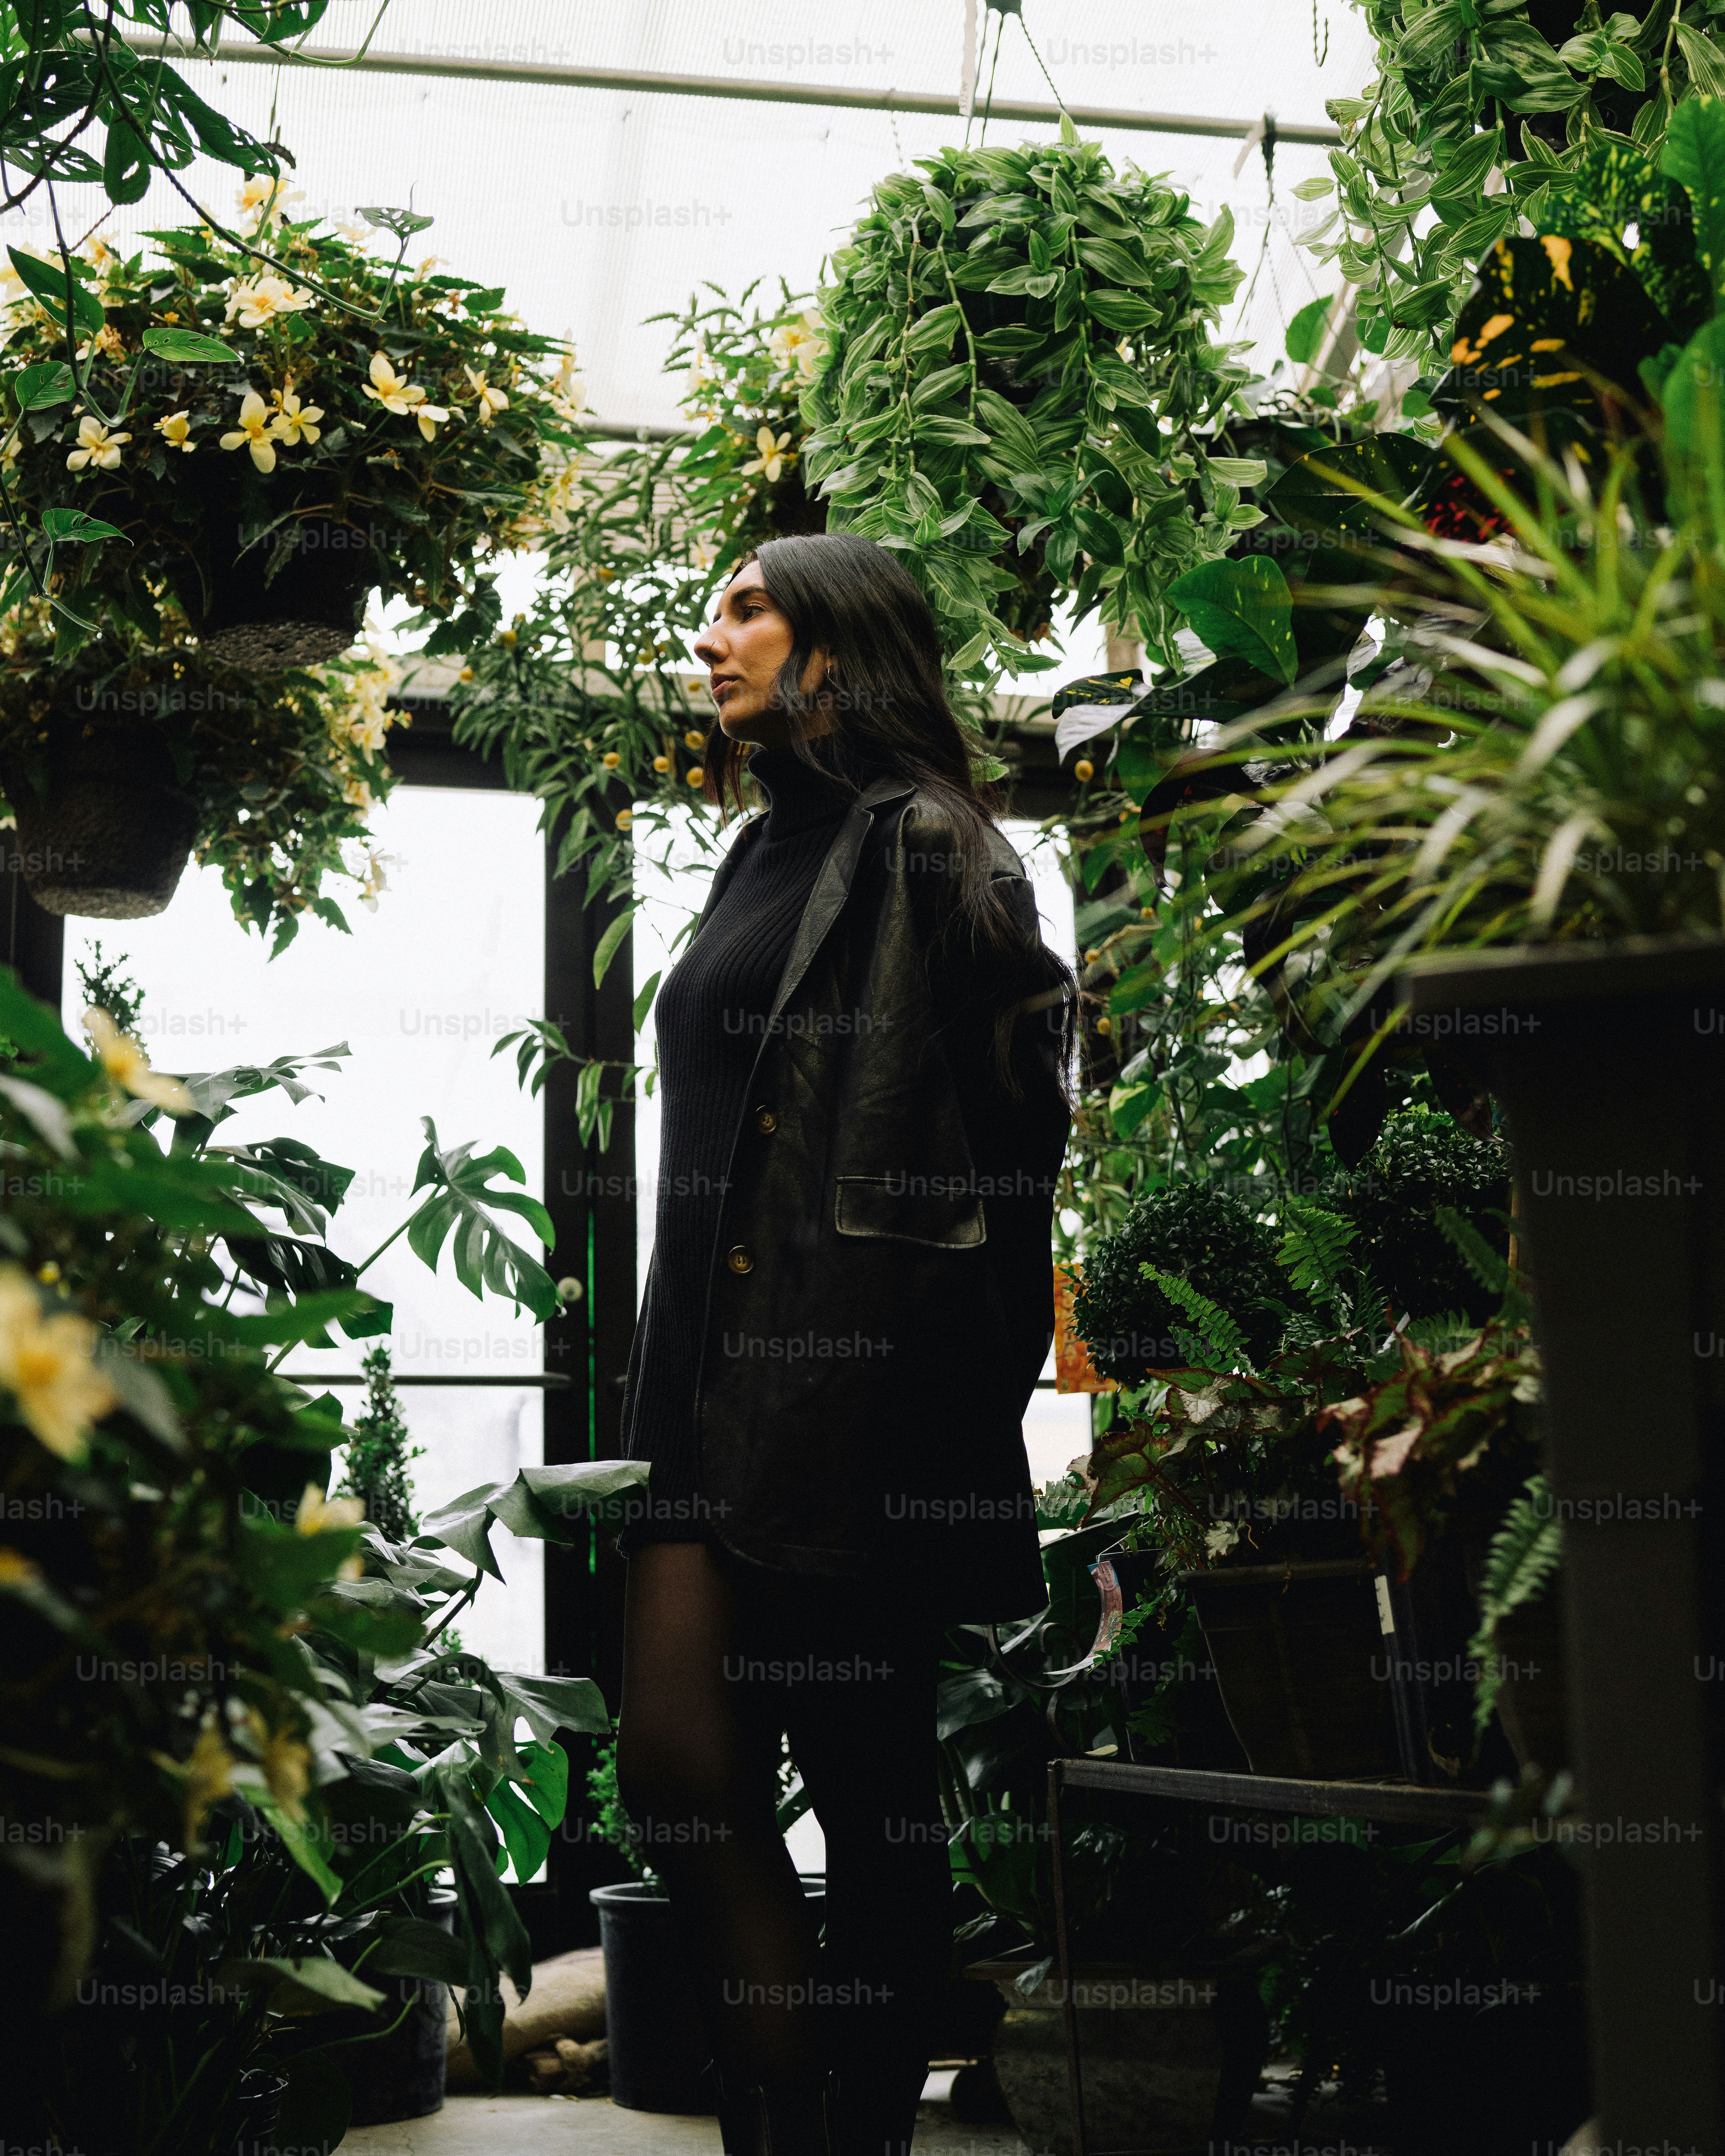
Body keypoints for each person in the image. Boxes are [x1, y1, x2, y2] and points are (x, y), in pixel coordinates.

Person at [614, 532, 1073, 2156]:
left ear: (840, 640)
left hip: (853, 1401)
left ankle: (831, 2124)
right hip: (700, 1379)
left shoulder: (936, 846)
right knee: (677, 1761)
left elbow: (1020, 1146)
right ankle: (789, 2096)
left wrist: (947, 1401)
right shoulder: (755, 854)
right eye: (714, 605)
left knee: (872, 1790)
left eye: (745, 603)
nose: (710, 633)